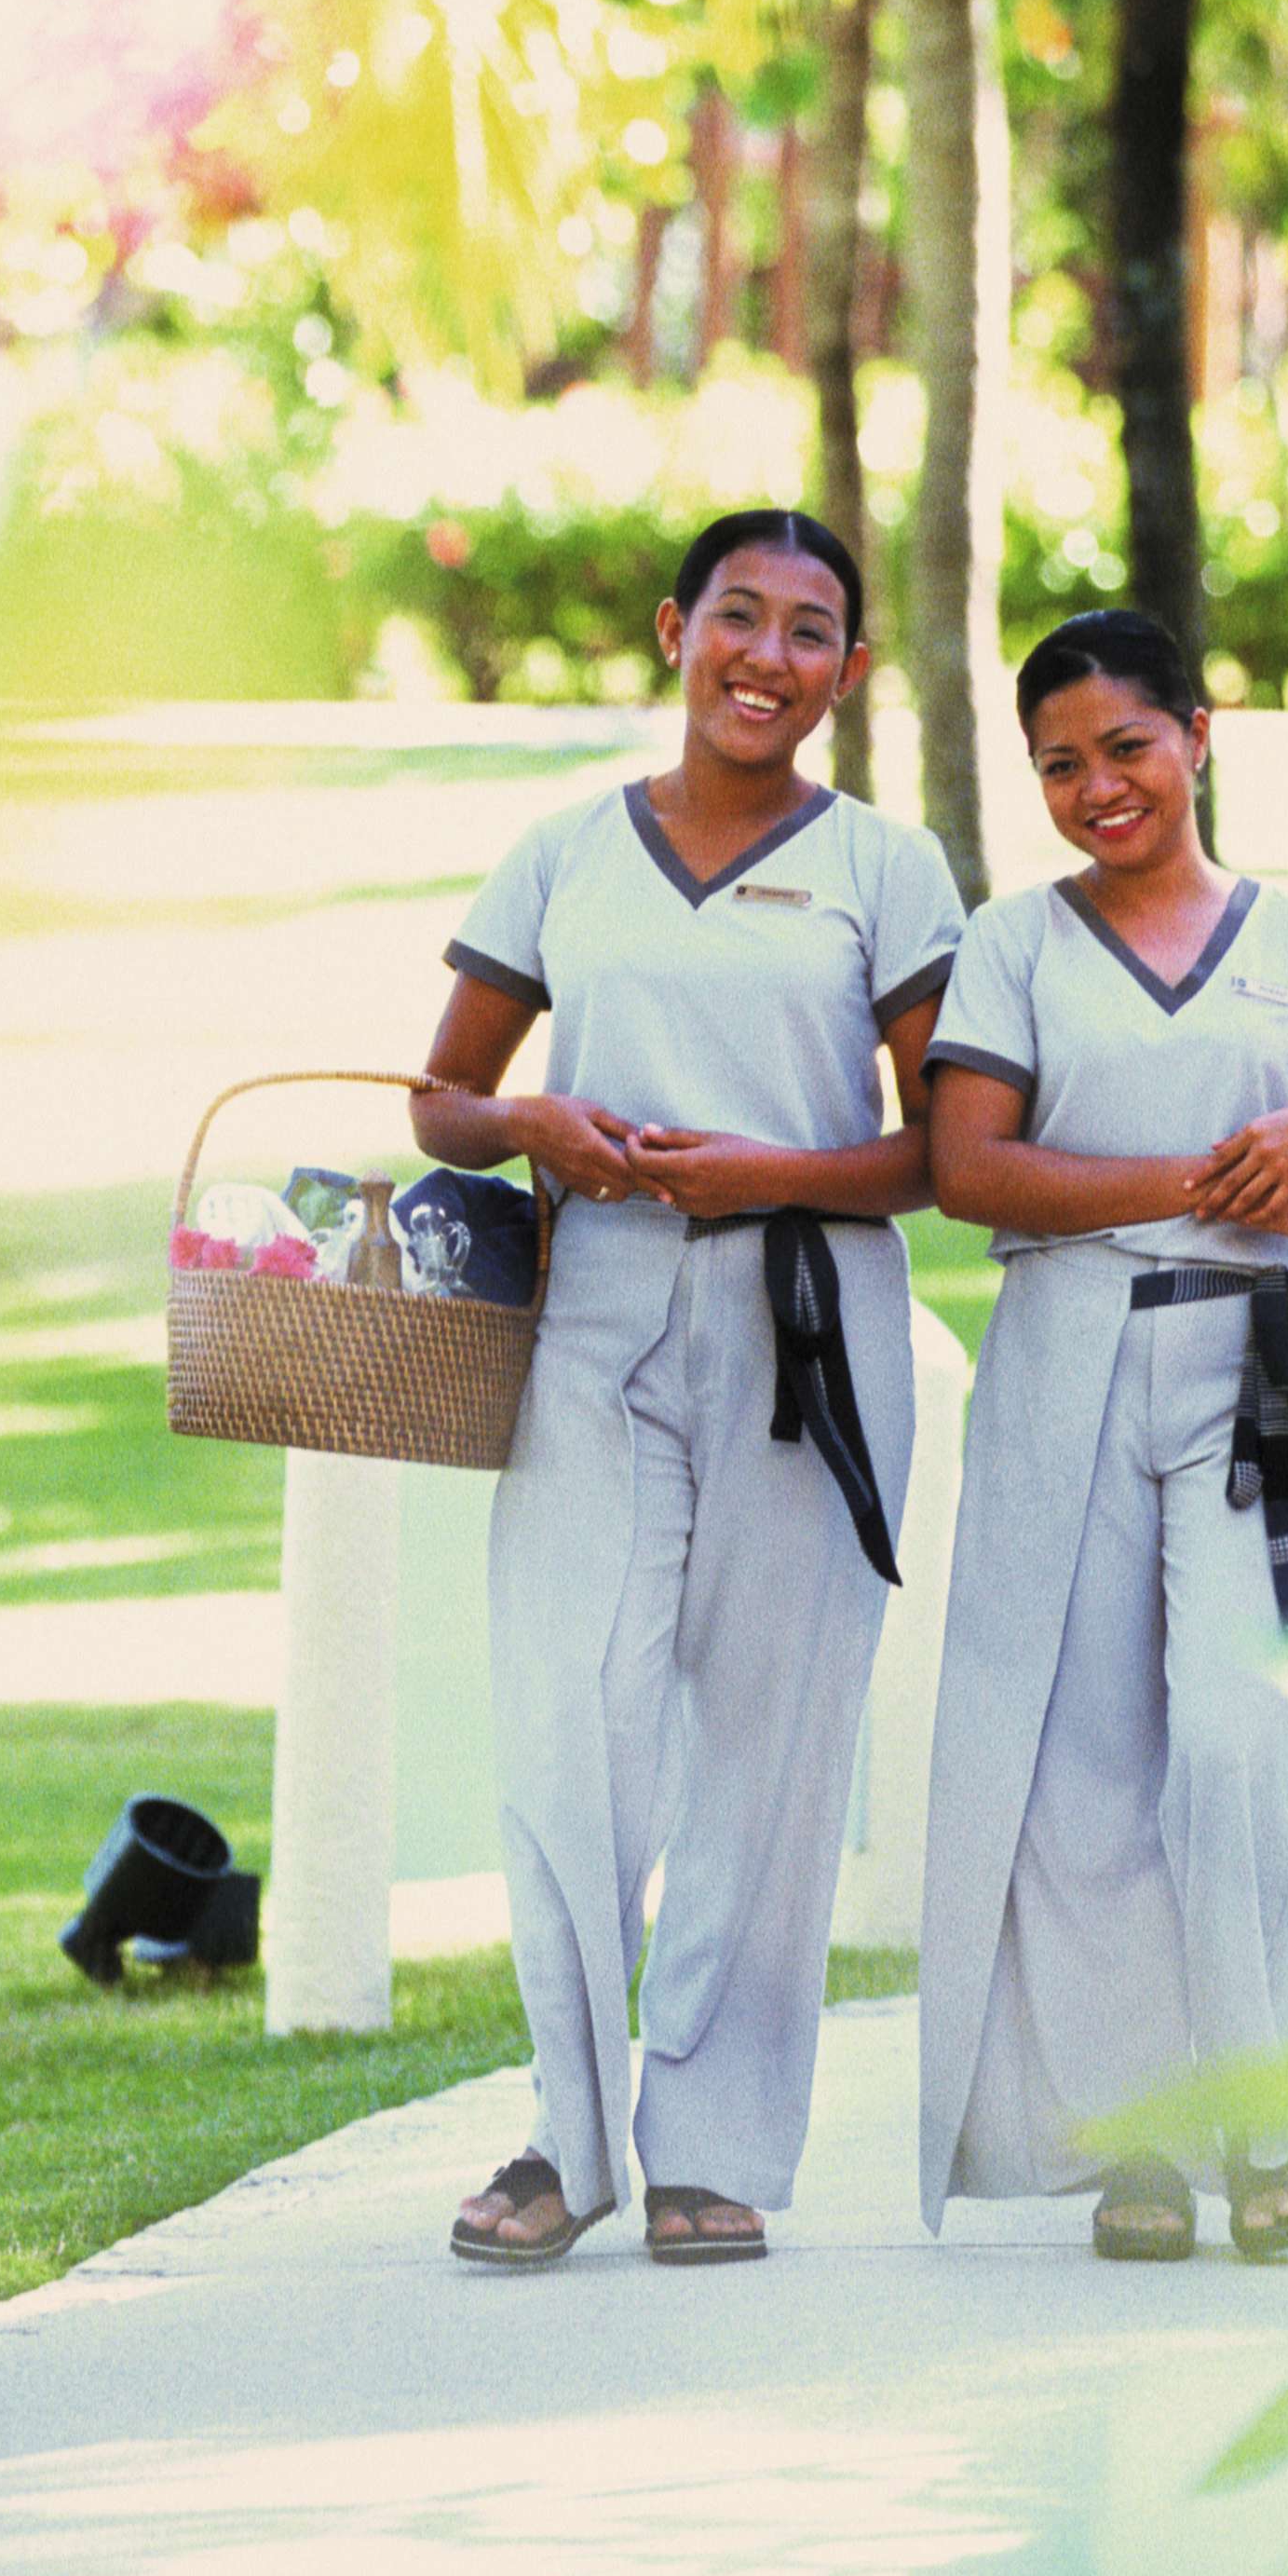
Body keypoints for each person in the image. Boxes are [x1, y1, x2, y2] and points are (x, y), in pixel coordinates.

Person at [412, 511, 964, 2267]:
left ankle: (711, 2146)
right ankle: (565, 2141)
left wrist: (770, 1175)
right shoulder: (564, 851)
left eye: (812, 632)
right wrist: (531, 1125)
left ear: (849, 673)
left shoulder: (889, 868)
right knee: (570, 1724)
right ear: (674, 629)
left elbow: (944, 1150)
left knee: (775, 1742)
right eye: (739, 616)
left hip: (809, 1323)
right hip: (596, 1318)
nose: (768, 658)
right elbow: (440, 1098)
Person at [915, 607, 1288, 2262]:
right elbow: (968, 1171)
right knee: (1083, 1768)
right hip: (1063, 1359)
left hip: (1244, 1376)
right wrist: (1201, 1180)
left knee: (1230, 1746)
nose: (1098, 789)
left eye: (1126, 748)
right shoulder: (1013, 944)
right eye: (1059, 765)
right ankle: (1131, 2148)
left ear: (1199, 736)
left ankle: (1260, 2119)